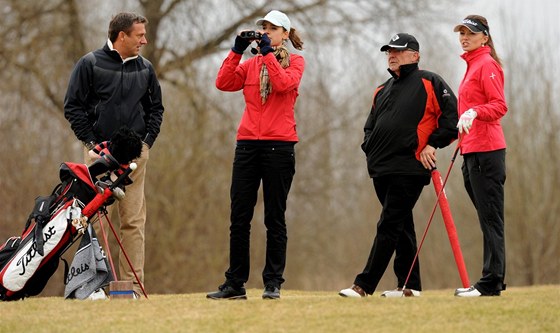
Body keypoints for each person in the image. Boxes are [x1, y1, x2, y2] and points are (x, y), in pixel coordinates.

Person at [339, 33, 458, 298]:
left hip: (411, 166)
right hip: (381, 168)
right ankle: (409, 286)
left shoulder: (430, 81)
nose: (391, 55)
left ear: (414, 55)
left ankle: (363, 285)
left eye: (398, 50)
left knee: (389, 224)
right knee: (402, 226)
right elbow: (369, 126)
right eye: (388, 51)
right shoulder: (382, 89)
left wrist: (432, 144)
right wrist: (369, 147)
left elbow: (452, 118)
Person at [64, 12, 164, 298]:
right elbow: (73, 107)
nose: (144, 40)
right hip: (99, 156)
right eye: (139, 35)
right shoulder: (90, 63)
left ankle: (130, 289)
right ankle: (92, 287)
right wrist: (92, 143)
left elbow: (156, 109)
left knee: (132, 221)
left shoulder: (145, 68)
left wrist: (146, 144)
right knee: (92, 219)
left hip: (134, 158)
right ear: (122, 36)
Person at [206, 10, 304, 300]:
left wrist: (268, 56)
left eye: (273, 29)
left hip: (279, 147)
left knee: (274, 217)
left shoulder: (295, 61)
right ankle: (235, 283)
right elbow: (223, 83)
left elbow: (285, 84)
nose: (267, 32)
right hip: (247, 145)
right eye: (264, 28)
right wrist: (236, 52)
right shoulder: (250, 64)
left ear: (285, 34)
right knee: (239, 217)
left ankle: (272, 282)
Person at [453, 15, 508, 297]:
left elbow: (499, 106)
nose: (464, 37)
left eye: (471, 33)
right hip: (472, 150)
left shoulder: (487, 65)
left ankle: (490, 282)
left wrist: (474, 112)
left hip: (487, 151)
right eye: (461, 33)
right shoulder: (473, 64)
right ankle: (493, 280)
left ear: (484, 37)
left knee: (491, 219)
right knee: (486, 217)